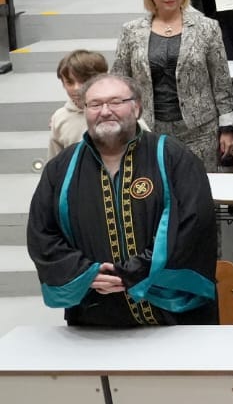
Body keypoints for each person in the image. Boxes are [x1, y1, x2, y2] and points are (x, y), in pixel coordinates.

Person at [27, 72, 217, 326]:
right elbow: (42, 234)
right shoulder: (61, 168)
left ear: (136, 107)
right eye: (95, 104)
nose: (105, 111)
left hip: (175, 316)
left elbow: (194, 226)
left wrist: (134, 272)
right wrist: (87, 273)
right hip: (95, 315)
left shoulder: (173, 156)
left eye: (116, 102)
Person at [112, 0, 233, 170]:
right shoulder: (131, 31)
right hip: (148, 129)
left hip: (200, 132)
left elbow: (221, 82)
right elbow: (119, 81)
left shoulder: (207, 27)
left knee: (198, 193)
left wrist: (227, 129)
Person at [49, 50, 109, 159]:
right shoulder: (59, 118)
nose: (77, 88)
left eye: (83, 80)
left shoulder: (121, 111)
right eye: (70, 82)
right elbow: (55, 164)